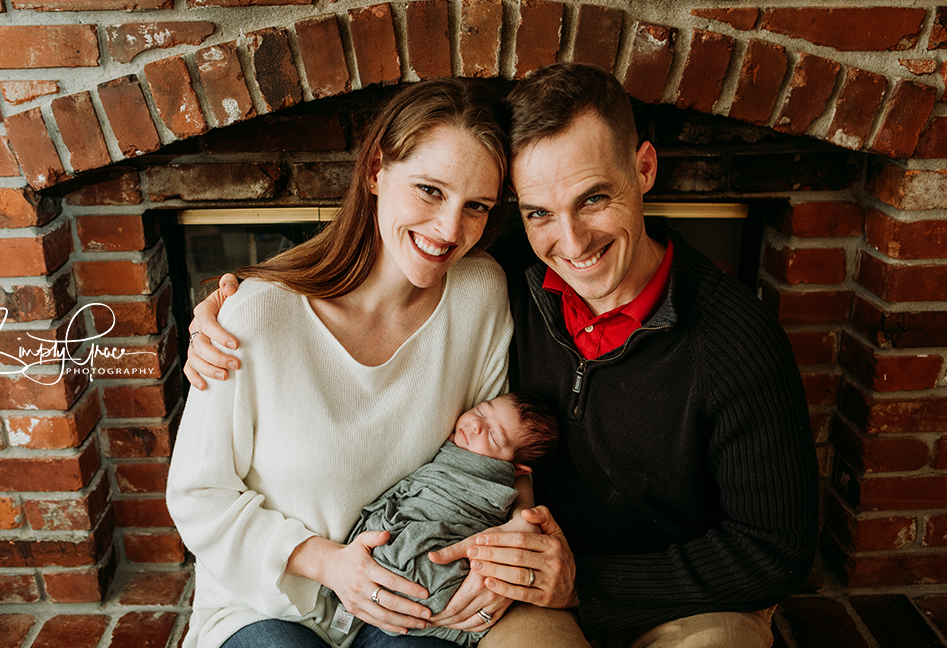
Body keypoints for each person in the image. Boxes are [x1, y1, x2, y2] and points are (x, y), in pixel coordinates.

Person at [185, 63, 819, 648]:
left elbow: (777, 550)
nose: (571, 243)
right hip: (494, 586)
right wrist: (227, 305)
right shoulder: (505, 274)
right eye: (540, 211)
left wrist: (564, 574)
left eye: (594, 198)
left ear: (644, 170)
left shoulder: (732, 340)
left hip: (671, 594)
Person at [167, 78, 526, 648]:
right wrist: (329, 564)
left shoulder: (479, 294)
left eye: (476, 206)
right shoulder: (255, 316)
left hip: (413, 592)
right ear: (376, 169)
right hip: (270, 602)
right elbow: (198, 495)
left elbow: (498, 458)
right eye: (430, 191)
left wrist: (507, 549)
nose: (450, 230)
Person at [342, 391, 559, 647]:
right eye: (481, 410)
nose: (476, 425)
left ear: (517, 470)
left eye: (493, 435)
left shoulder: (495, 486)